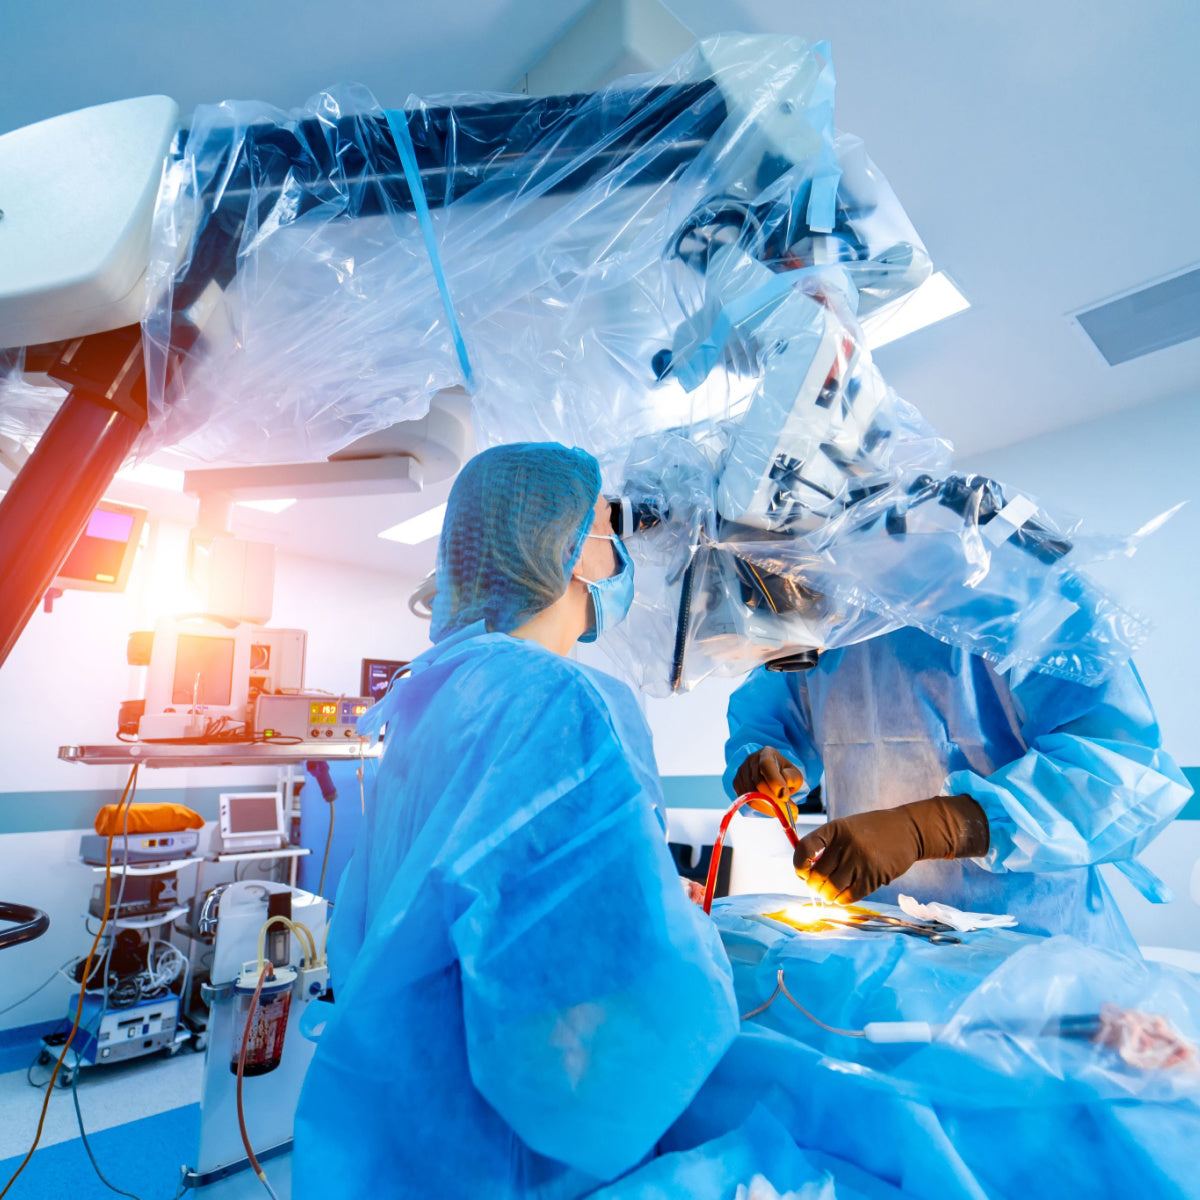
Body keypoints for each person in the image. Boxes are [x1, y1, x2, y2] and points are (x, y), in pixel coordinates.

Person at [293, 443, 739, 1200]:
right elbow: (601, 1024)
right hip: (500, 1148)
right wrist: (689, 940)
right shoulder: (559, 700)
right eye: (608, 526)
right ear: (572, 548)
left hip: (401, 1114)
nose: (620, 552)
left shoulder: (437, 692)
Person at [724, 626, 1191, 947]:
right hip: (883, 936)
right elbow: (771, 711)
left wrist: (938, 827)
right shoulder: (825, 617)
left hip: (1033, 944)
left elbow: (1116, 776)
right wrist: (765, 760)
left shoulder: (1024, 597)